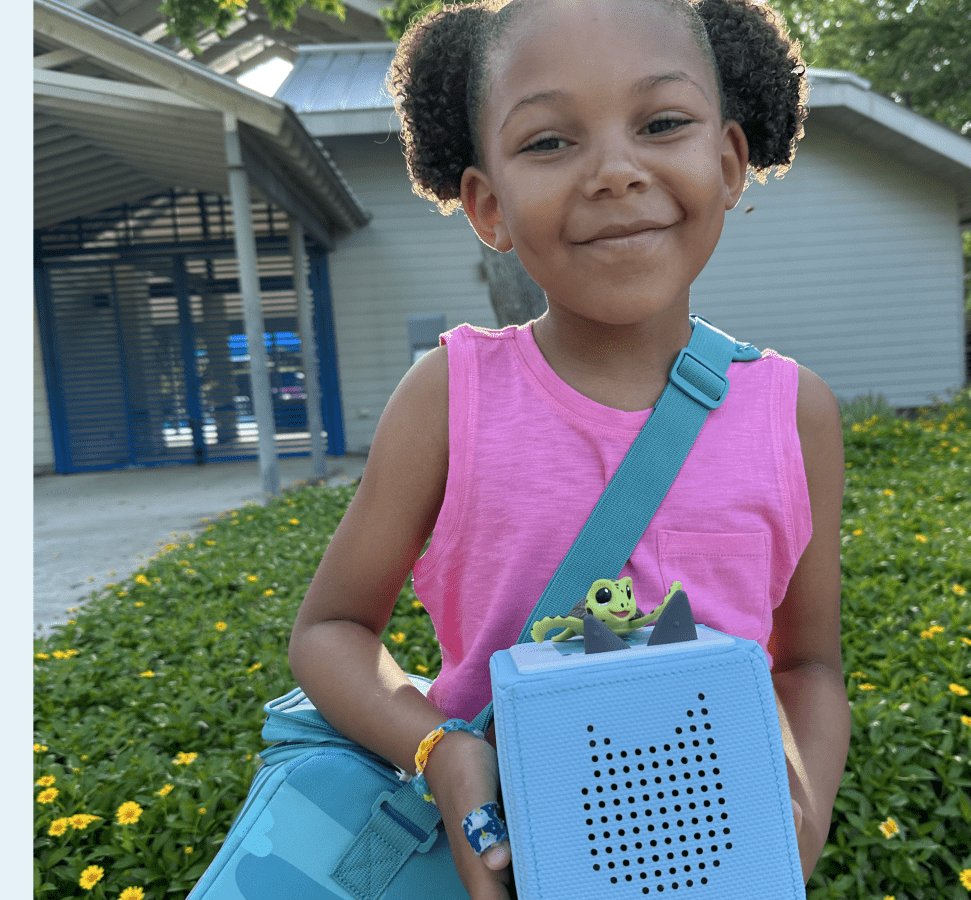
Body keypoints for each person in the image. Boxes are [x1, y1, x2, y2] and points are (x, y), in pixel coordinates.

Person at [288, 1, 851, 897]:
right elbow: (330, 631)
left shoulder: (797, 414)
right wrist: (441, 750)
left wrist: (802, 816)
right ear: (487, 205)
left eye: (662, 124)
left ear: (730, 161)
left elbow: (809, 664)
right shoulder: (448, 397)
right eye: (550, 142)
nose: (615, 172)